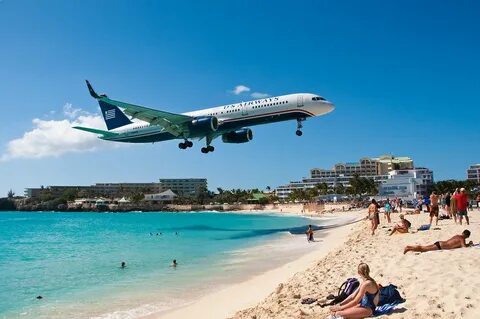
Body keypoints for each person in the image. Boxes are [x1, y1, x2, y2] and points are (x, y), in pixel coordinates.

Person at [403, 230, 473, 254]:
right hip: (441, 246)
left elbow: (456, 244)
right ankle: (409, 248)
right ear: (466, 236)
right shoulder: (462, 239)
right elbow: (463, 247)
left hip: (440, 243)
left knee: (423, 248)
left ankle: (409, 247)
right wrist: (469, 244)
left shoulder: (457, 236)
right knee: (423, 249)